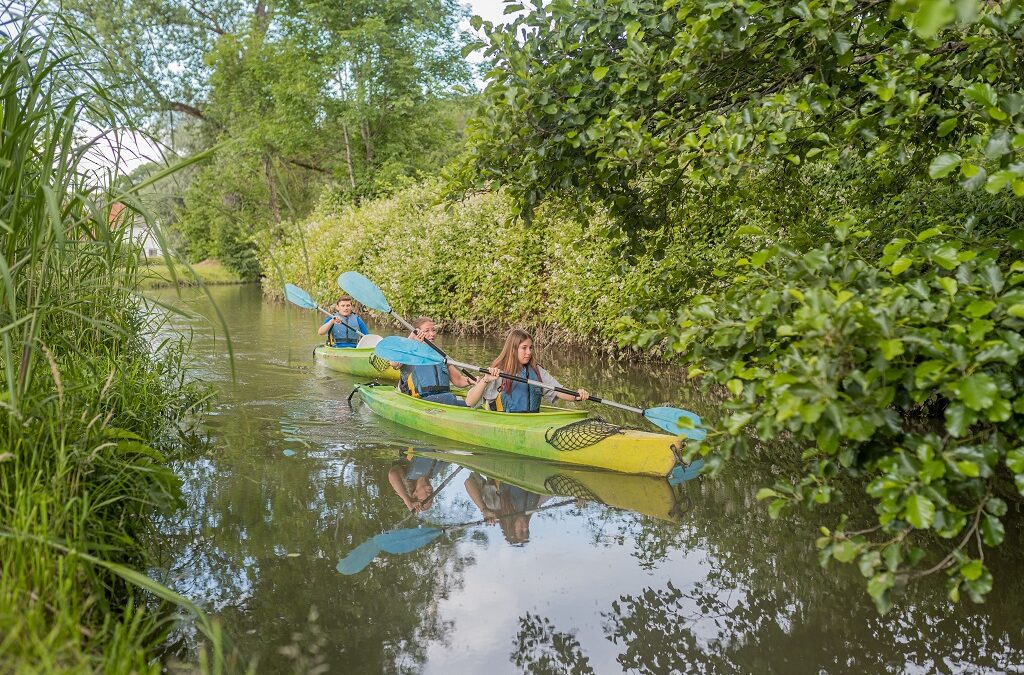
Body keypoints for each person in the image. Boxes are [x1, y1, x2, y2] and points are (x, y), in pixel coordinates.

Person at [465, 329, 589, 412]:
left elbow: (558, 390)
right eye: (524, 348)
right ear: (513, 349)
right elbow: (470, 402)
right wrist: (485, 380)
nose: (529, 352)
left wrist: (577, 396)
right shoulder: (498, 372)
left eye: (530, 348)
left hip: (530, 422)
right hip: (503, 422)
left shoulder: (536, 371)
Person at [394, 316, 476, 406]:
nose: (432, 334)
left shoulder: (440, 355)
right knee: (449, 398)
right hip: (416, 401)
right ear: (417, 333)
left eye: (433, 330)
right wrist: (411, 338)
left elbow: (458, 380)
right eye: (427, 331)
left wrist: (471, 381)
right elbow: (394, 363)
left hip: (441, 399)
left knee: (452, 398)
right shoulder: (408, 352)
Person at [388, 449, 451, 513]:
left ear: (414, 495)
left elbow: (393, 474)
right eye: (431, 499)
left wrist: (408, 502)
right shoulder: (438, 470)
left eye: (426, 499)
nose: (429, 495)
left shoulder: (408, 471)